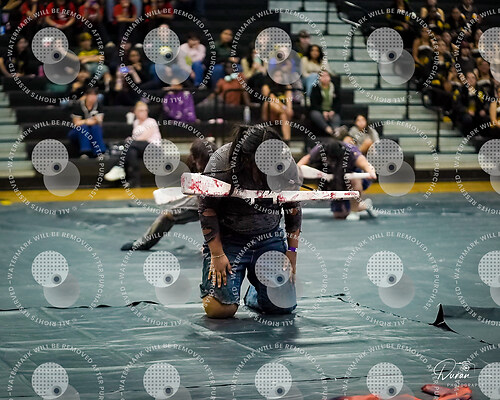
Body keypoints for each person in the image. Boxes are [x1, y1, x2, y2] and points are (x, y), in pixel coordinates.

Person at [199, 124, 302, 318]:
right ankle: (235, 290)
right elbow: (207, 208)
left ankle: (255, 294)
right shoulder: (222, 162)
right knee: (219, 310)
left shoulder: (285, 164)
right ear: (247, 159)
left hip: (268, 236)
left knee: (281, 307)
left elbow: (293, 208)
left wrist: (292, 251)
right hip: (229, 238)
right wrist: (217, 254)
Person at [120, 139, 217, 251]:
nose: (205, 165)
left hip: (218, 199)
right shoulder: (194, 164)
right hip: (203, 198)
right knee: (168, 215)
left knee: (215, 214)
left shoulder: (218, 164)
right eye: (202, 162)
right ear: (195, 158)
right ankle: (143, 243)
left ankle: (214, 247)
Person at [298, 138, 377, 220]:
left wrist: (371, 172)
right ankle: (365, 205)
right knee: (339, 214)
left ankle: (354, 211)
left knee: (354, 180)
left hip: (353, 179)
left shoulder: (350, 152)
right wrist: (296, 170)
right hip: (334, 180)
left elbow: (365, 164)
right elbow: (303, 162)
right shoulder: (318, 150)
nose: (329, 161)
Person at [104, 101, 161, 187]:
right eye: (141, 110)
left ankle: (119, 166)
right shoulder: (136, 122)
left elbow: (144, 137)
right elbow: (136, 140)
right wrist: (131, 140)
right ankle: (134, 181)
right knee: (131, 152)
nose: (144, 112)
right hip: (140, 148)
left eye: (146, 110)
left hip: (153, 148)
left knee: (129, 145)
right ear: (136, 112)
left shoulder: (151, 121)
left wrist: (130, 140)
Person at [68, 87, 107, 158]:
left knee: (96, 127)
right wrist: (87, 121)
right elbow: (76, 123)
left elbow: (100, 122)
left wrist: (87, 121)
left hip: (92, 130)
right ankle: (85, 152)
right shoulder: (79, 105)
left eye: (95, 95)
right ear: (86, 96)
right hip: (76, 132)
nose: (93, 97)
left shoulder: (98, 105)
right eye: (91, 95)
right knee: (84, 127)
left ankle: (100, 152)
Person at [309, 71, 341, 136]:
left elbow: (338, 102)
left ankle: (336, 132)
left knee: (336, 117)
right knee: (315, 114)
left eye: (327, 76)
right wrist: (322, 111)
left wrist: (333, 111)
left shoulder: (335, 87)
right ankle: (329, 130)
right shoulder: (315, 88)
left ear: (330, 77)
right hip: (320, 111)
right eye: (322, 76)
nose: (325, 78)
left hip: (331, 111)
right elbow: (314, 104)